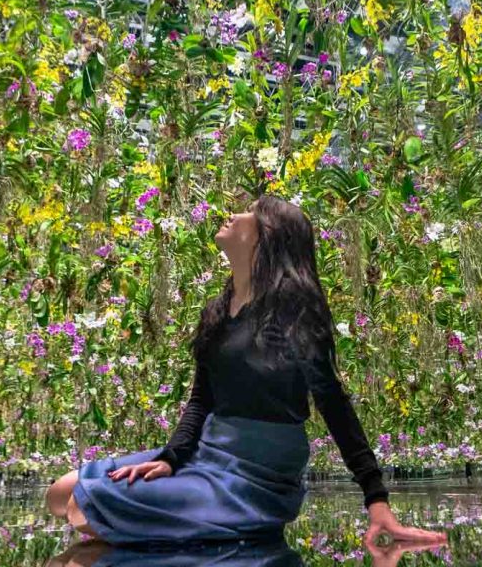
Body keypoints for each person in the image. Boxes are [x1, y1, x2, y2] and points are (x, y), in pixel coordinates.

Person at [45, 194, 448, 549]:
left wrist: (376, 501)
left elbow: (334, 404)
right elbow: (202, 399)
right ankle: (197, 517)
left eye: (250, 213)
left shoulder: (294, 315)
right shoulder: (218, 312)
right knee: (60, 493)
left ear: (267, 237)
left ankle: (234, 518)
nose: (234, 216)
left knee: (84, 507)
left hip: (257, 474)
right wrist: (171, 457)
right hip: (208, 453)